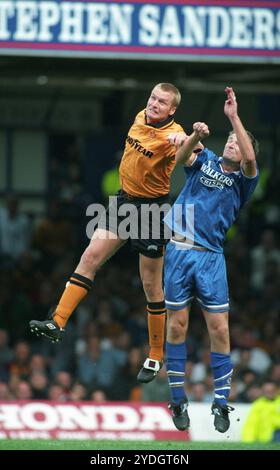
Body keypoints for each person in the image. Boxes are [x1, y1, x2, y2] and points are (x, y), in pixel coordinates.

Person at [30, 83, 197, 383]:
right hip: (123, 202)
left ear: (172, 110)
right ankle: (57, 322)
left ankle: (156, 355)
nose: (154, 104)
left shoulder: (175, 134)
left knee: (150, 285)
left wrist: (190, 139)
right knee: (89, 257)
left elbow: (190, 153)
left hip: (151, 210)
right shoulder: (139, 117)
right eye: (153, 98)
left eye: (162, 102)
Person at [163, 87, 259, 433]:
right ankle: (177, 398)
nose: (233, 142)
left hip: (211, 258)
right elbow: (180, 158)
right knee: (177, 326)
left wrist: (233, 116)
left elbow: (249, 160)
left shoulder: (244, 180)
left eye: (239, 140)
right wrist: (194, 136)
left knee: (219, 329)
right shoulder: (205, 159)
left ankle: (221, 402)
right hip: (179, 247)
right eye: (231, 138)